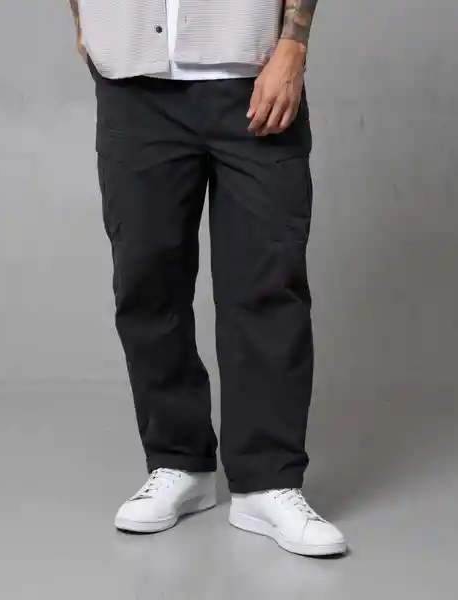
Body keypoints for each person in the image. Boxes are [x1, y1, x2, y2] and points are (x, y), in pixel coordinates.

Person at [68, 0, 347, 557]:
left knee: (268, 283)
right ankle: (178, 463)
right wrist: (84, 21)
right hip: (133, 80)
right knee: (146, 282)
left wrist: (294, 43)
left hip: (252, 70)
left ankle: (267, 482)